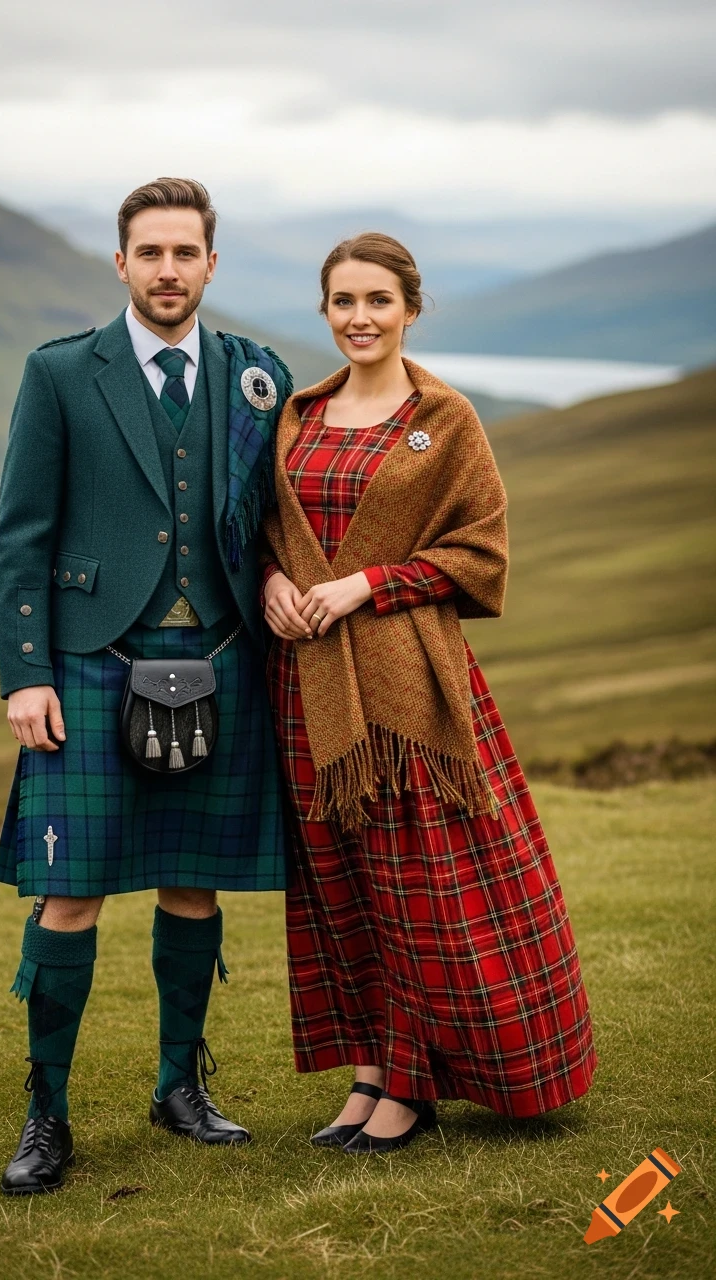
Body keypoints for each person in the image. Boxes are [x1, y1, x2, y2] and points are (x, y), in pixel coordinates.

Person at [261, 233, 596, 1154]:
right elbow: (259, 529)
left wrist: (366, 585)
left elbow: (478, 554)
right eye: (342, 303)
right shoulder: (297, 413)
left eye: (377, 301)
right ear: (324, 311)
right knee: (342, 887)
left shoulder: (444, 420)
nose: (359, 319)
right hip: (307, 688)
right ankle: (370, 1073)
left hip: (408, 694)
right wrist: (271, 584)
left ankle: (411, 1089)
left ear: (411, 306)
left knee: (418, 890)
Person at [0, 178, 291, 1193]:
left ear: (212, 264)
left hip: (221, 662)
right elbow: (21, 533)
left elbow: (272, 524)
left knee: (192, 884)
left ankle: (178, 1087)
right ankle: (46, 1113)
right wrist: (23, 675)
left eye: (185, 252)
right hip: (87, 665)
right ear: (119, 263)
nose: (168, 269)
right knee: (67, 893)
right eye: (149, 252)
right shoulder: (63, 372)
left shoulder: (257, 377)